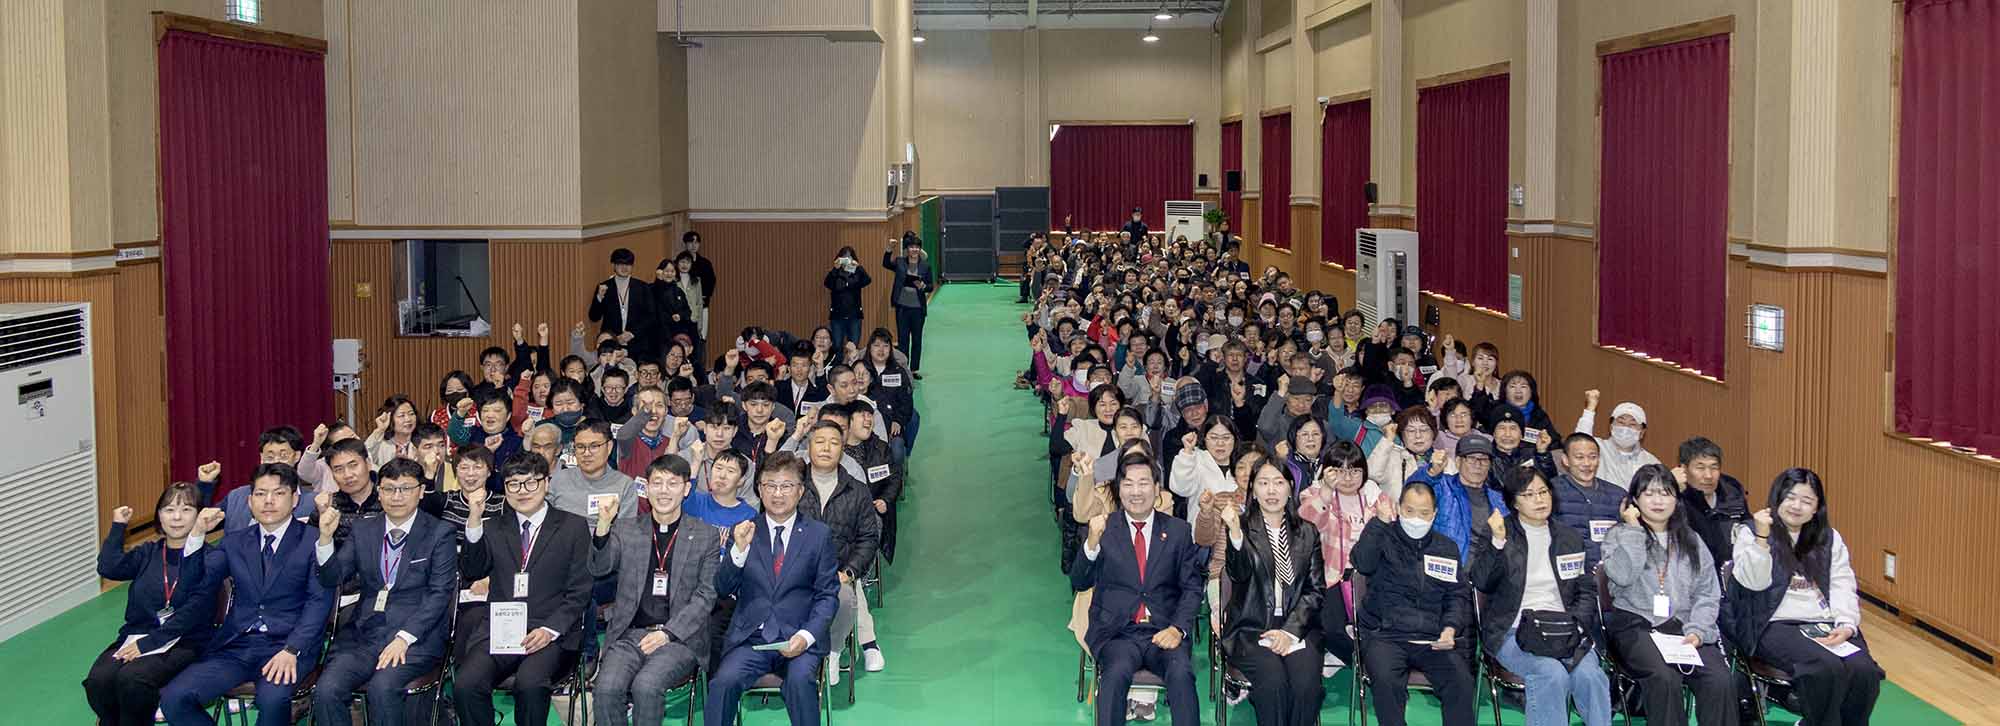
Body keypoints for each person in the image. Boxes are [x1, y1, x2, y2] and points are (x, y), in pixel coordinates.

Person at [160, 464, 335, 726]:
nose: (268, 501)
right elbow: (196, 582)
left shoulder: (314, 540)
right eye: (260, 493)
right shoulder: (235, 541)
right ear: (250, 501)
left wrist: (293, 649)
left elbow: (319, 601)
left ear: (295, 499)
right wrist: (196, 534)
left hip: (288, 646)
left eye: (278, 493)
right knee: (174, 697)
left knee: (272, 700)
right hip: (238, 643)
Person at [1726, 468, 1883, 726]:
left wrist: (1846, 624)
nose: (1797, 506)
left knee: (1864, 671)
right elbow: (1753, 582)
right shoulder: (1751, 532)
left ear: (1817, 508)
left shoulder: (1829, 538)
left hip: (1824, 623)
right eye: (1790, 497)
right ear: (1777, 499)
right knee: (1824, 669)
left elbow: (1842, 583)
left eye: (1807, 500)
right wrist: (1762, 539)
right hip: (1773, 623)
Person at [311, 458, 459, 726]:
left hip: (416, 638)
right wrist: (325, 539)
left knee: (382, 688)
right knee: (327, 690)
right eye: (389, 489)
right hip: (365, 635)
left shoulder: (440, 533)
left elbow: (439, 594)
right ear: (379, 492)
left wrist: (404, 638)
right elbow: (333, 577)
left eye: (405, 488)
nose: (396, 496)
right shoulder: (364, 529)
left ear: (421, 491)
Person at [452, 452, 594, 726]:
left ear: (546, 483)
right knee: (466, 685)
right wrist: (473, 520)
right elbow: (472, 572)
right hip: (499, 629)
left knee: (530, 684)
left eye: (531, 483)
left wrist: (550, 630)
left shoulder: (572, 526)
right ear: (504, 488)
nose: (522, 491)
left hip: (549, 632)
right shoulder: (493, 527)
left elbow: (579, 592)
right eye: (513, 484)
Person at [1466, 466, 1612, 726]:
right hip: (1512, 630)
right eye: (1529, 494)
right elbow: (1480, 581)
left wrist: (1577, 623)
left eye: (1543, 492)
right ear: (1514, 502)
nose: (1540, 499)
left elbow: (1586, 589)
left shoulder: (1568, 537)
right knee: (1550, 673)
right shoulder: (1501, 532)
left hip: (1565, 629)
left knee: (1592, 676)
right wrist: (1497, 543)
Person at [706, 452, 842, 726]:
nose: (777, 494)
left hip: (799, 639)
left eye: (786, 486)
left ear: (800, 490)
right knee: (722, 682)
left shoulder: (818, 534)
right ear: (759, 488)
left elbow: (828, 596)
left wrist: (806, 636)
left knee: (800, 682)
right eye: (770, 485)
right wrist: (739, 551)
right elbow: (722, 588)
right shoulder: (744, 530)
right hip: (752, 640)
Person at [1069, 451, 1203, 726]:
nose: (1136, 491)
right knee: (1115, 673)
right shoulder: (1105, 527)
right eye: (1128, 484)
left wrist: (1178, 628)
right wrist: (1091, 544)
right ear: (1119, 489)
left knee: (1181, 672)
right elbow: (1079, 582)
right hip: (1117, 632)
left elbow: (1191, 588)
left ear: (1156, 489)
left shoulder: (1178, 531)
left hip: (1164, 630)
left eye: (1144, 483)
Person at [589, 454, 722, 726]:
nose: (663, 491)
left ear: (686, 489)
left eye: (672, 483)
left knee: (646, 686)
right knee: (606, 688)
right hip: (629, 634)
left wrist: (668, 633)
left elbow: (706, 594)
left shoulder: (706, 534)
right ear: (646, 488)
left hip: (679, 638)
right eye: (657, 483)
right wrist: (603, 524)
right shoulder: (625, 529)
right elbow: (599, 568)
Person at [1601, 465, 1736, 726]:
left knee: (1719, 680)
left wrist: (1698, 630)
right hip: (1638, 626)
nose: (1658, 501)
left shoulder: (1691, 539)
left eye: (1665, 493)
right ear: (1634, 500)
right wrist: (1633, 529)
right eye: (1649, 493)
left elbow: (1708, 592)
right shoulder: (1619, 535)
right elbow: (1623, 576)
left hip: (1686, 626)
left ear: (1676, 499)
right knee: (1664, 677)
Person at [83, 483, 213, 726]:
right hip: (135, 637)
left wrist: (148, 644)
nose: (176, 517)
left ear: (198, 516)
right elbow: (109, 567)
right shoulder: (148, 553)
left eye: (186, 510)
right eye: (168, 509)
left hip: (183, 642)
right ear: (158, 515)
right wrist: (118, 527)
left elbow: (195, 613)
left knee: (133, 680)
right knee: (98, 682)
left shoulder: (208, 557)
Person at [1350, 480, 1476, 726]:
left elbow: (1457, 595)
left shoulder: (1445, 548)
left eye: (1424, 513)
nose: (1416, 518)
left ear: (1435, 514)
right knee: (1386, 683)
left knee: (1461, 682)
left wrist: (1450, 628)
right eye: (1409, 511)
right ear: (1398, 508)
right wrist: (1379, 523)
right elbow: (1362, 563)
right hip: (1385, 636)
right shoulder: (1383, 536)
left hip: (1433, 638)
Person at [1219, 456, 1326, 726]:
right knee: (1274, 682)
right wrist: (1235, 536)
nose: (1271, 491)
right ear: (1252, 489)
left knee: (1306, 686)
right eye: (1263, 483)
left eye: (1278, 483)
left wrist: (1289, 631)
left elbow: (1315, 590)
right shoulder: (1240, 527)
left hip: (1297, 626)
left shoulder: (1308, 532)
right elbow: (1238, 573)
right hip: (1251, 628)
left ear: (1291, 487)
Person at [796, 419, 885, 683]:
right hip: (795, 571)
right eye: (819, 442)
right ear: (808, 446)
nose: (826, 448)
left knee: (845, 595)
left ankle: (833, 652)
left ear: (842, 448)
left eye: (834, 443)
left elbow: (868, 538)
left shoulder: (856, 491)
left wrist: (849, 571)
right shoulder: (792, 486)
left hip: (838, 572)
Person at [1296, 441, 1382, 673]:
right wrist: (1325, 492)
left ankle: (1359, 658)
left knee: (1380, 628)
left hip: (1371, 576)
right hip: (1330, 575)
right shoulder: (1315, 493)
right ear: (1327, 470)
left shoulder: (1374, 497)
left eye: (1354, 470)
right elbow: (1305, 523)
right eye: (1340, 470)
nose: (1348, 477)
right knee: (1330, 628)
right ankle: (1365, 663)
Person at [1407, 435, 1509, 562]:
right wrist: (1431, 472)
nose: (1478, 465)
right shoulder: (1441, 486)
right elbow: (1412, 492)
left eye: (1484, 460)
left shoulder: (1499, 500)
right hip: (1447, 570)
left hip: (1486, 572)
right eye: (1471, 459)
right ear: (1458, 462)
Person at [1552, 433, 1627, 572]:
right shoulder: (1551, 492)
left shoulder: (1618, 495)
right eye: (1579, 457)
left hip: (1609, 577)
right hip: (1568, 576)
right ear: (1565, 460)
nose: (1587, 463)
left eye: (1593, 457)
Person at [1674, 437, 1749, 573]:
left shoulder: (1732, 492)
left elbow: (1747, 530)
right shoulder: (1674, 497)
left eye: (1714, 467)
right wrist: (1670, 490)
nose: (1708, 475)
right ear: (1683, 469)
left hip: (1731, 577)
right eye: (1700, 467)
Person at [1573, 391, 1659, 488]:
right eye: (1621, 422)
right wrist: (1590, 408)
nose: (1625, 428)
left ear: (1642, 433)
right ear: (1611, 427)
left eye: (1632, 424)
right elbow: (1579, 443)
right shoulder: (1597, 448)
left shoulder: (1650, 462)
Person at [589, 247, 657, 361]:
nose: (624, 267)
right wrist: (599, 297)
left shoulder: (643, 287)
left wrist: (632, 333)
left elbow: (651, 316)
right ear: (614, 265)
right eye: (620, 264)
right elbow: (594, 317)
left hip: (638, 345)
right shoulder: (604, 287)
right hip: (611, 345)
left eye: (628, 264)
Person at [883, 232, 934, 378]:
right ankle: (904, 368)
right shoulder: (900, 262)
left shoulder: (925, 266)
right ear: (907, 249)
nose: (914, 250)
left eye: (917, 247)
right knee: (903, 339)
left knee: (917, 339)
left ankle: (914, 370)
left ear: (920, 250)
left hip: (918, 308)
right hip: (902, 307)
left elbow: (930, 286)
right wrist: (888, 249)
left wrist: (924, 286)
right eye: (911, 247)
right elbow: (886, 264)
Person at [824, 245, 873, 354]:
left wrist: (859, 267)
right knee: (837, 345)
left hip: (854, 315)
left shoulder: (857, 273)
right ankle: (838, 368)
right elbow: (827, 284)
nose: (847, 260)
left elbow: (868, 280)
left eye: (849, 257)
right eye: (844, 257)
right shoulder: (835, 273)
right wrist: (834, 269)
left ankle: (853, 368)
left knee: (854, 346)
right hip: (837, 315)